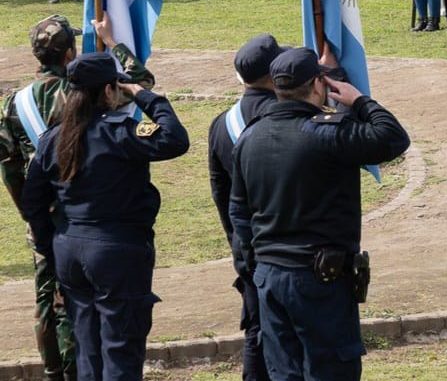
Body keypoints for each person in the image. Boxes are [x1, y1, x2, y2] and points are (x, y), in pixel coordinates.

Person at [230, 48, 410, 380]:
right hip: (318, 280)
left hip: (270, 276)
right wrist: (359, 100)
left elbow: (238, 213)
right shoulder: (327, 133)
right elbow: (394, 139)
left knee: (285, 372)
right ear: (318, 84)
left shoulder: (249, 137)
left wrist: (257, 266)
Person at [0, 14, 153, 381]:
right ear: (70, 51)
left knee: (47, 301)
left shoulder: (13, 104)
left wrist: (34, 215)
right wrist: (111, 40)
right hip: (86, 216)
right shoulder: (88, 90)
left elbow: (10, 168)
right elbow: (142, 82)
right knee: (92, 306)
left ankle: (56, 371)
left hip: (43, 217)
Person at [21, 52, 190, 380]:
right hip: (116, 251)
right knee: (120, 350)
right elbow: (175, 139)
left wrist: (50, 245)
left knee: (89, 349)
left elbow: (33, 202)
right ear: (111, 90)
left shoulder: (54, 139)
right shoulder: (120, 132)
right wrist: (142, 93)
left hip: (69, 250)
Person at [207, 34, 284, 381]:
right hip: (287, 246)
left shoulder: (221, 124)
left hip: (248, 245)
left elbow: (220, 194)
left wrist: (237, 243)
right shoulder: (283, 117)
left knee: (255, 330)